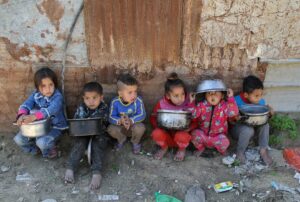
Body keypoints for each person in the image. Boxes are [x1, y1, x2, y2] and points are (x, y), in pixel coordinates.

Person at [14, 67, 67, 158]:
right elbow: (26, 104)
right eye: (43, 86)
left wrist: (33, 116)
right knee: (18, 139)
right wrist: (21, 115)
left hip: (54, 128)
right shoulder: (36, 95)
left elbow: (50, 110)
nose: (48, 89)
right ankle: (35, 150)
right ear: (38, 87)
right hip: (38, 127)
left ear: (55, 84)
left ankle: (49, 150)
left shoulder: (57, 97)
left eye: (51, 85)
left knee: (42, 142)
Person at [64, 81, 109, 190]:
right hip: (83, 133)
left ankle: (96, 172)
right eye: (87, 98)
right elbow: (77, 121)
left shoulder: (104, 108)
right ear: (83, 98)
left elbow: (103, 120)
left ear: (101, 97)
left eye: (94, 98)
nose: (91, 101)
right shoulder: (82, 107)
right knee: (79, 144)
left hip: (99, 133)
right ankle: (70, 167)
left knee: (97, 146)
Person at [230, 75, 273, 165]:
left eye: (261, 95)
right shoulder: (235, 101)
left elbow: (262, 117)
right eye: (256, 96)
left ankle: (263, 150)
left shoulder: (261, 102)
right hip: (238, 130)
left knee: (265, 125)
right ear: (246, 95)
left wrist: (269, 114)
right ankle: (240, 152)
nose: (260, 98)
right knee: (247, 130)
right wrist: (235, 117)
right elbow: (229, 120)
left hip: (255, 127)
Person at [190, 79, 239, 156]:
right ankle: (201, 148)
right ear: (205, 95)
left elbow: (233, 113)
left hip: (218, 138)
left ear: (222, 96)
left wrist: (231, 99)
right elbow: (193, 115)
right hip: (204, 136)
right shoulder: (201, 105)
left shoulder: (225, 106)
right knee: (194, 134)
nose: (212, 95)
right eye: (209, 93)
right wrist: (192, 102)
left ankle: (222, 150)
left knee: (225, 141)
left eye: (215, 93)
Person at [150, 73, 192, 161]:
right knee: (156, 133)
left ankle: (181, 150)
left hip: (181, 139)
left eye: (183, 94)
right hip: (167, 137)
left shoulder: (189, 104)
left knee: (183, 135)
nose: (180, 98)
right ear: (168, 96)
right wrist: (159, 127)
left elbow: (195, 118)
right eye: (176, 96)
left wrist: (190, 128)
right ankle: (164, 148)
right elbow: (153, 117)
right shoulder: (162, 104)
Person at [107, 73, 146, 154]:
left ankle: (135, 142)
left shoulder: (138, 100)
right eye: (130, 92)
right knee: (110, 129)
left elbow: (142, 114)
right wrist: (120, 121)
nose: (134, 95)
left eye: (135, 91)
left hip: (133, 127)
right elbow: (111, 117)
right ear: (120, 93)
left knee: (141, 127)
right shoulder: (115, 102)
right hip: (121, 128)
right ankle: (121, 139)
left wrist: (131, 120)